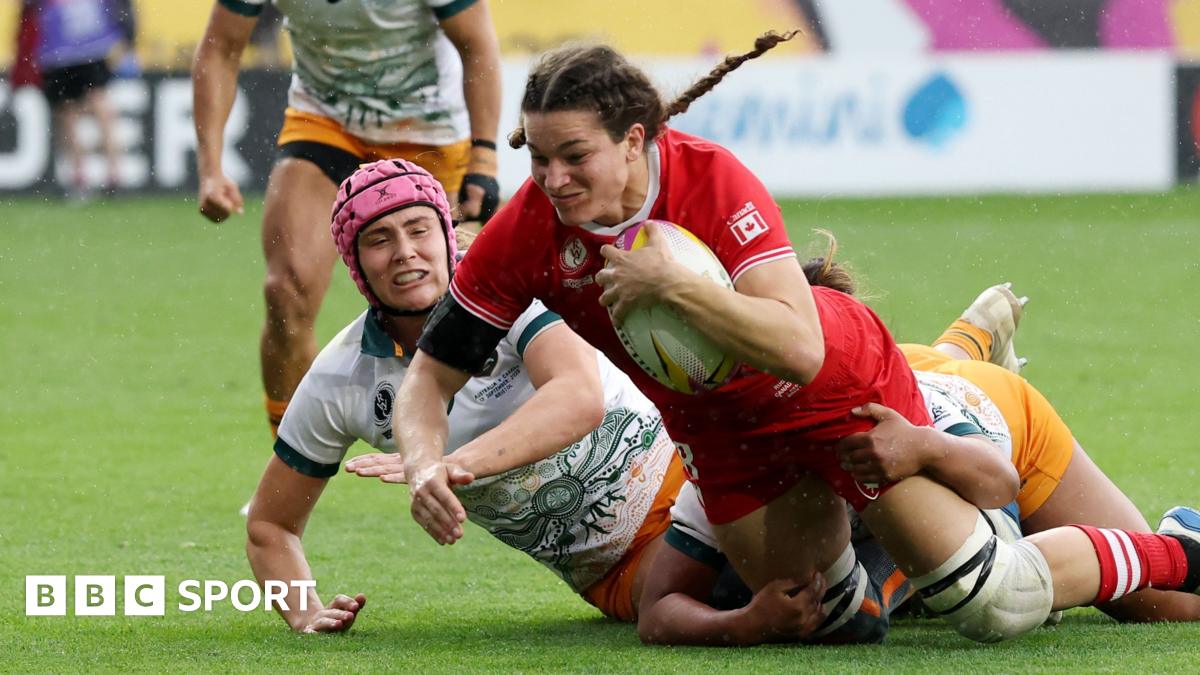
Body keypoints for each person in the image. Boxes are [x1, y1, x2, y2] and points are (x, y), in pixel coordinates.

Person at [389, 33, 1200, 645]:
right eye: (538, 159)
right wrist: (425, 462)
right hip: (722, 435)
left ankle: (1181, 550)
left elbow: (800, 347)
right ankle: (958, 367)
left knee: (995, 600)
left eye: (575, 157)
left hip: (836, 390)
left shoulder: (710, 178)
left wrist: (673, 285)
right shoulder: (526, 233)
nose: (553, 181)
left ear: (635, 140)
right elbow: (428, 379)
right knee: (830, 619)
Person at [246, 159, 687, 630]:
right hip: (618, 571)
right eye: (379, 240)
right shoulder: (340, 377)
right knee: (691, 600)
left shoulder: (506, 287)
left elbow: (578, 397)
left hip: (691, 483)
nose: (404, 252)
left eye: (419, 230)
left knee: (731, 569)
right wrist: (305, 614)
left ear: (445, 235)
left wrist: (443, 465)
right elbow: (269, 525)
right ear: (355, 264)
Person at [192, 0, 502, 439]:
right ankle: (293, 457)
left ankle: (475, 448)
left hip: (428, 130)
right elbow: (220, 48)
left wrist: (484, 157)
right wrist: (210, 168)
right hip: (325, 123)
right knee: (286, 291)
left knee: (455, 307)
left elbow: (477, 44)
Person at [29, 0, 130, 198]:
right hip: (73, 45)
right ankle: (99, 174)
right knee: (83, 108)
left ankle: (97, 175)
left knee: (80, 109)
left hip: (71, 45)